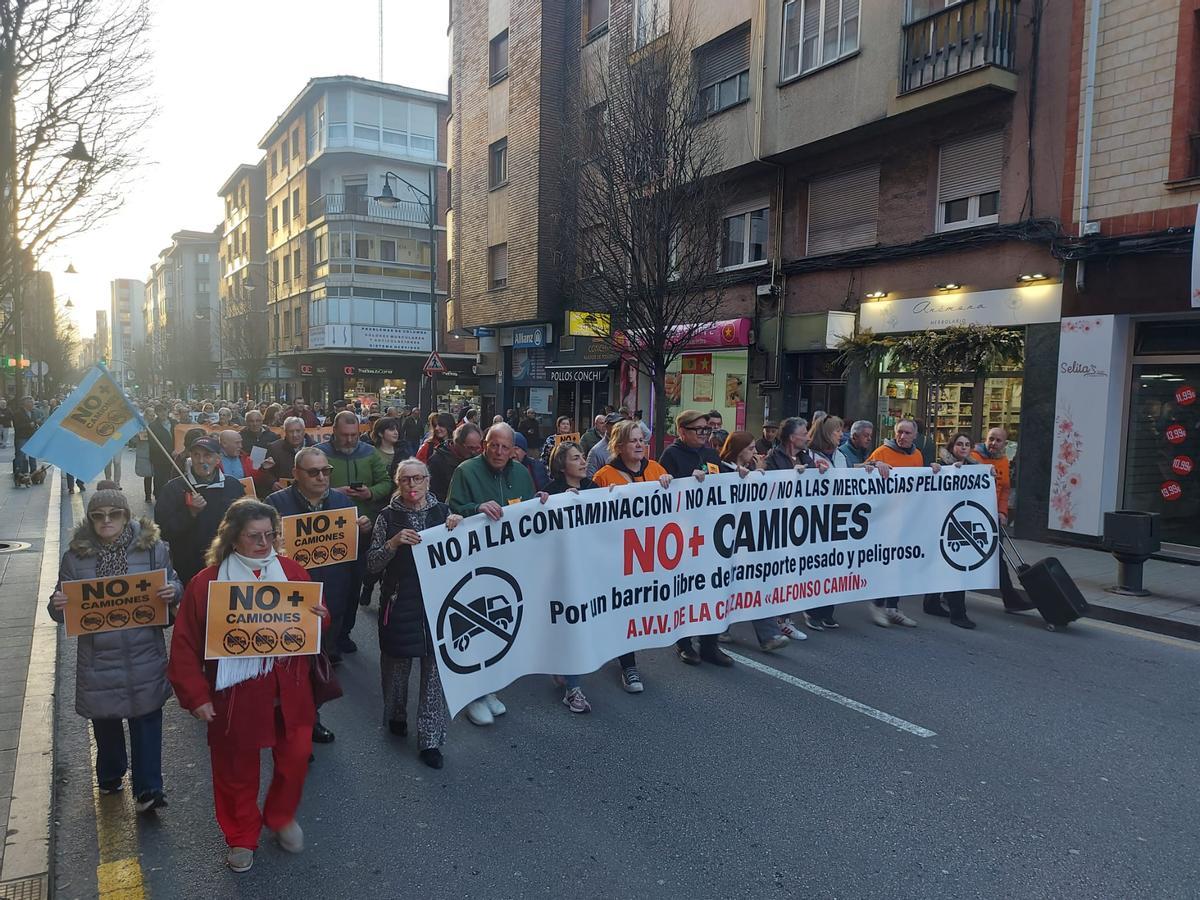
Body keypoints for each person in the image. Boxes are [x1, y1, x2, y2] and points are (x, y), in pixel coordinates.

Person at [167, 499, 328, 873]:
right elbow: (185, 645)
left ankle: (280, 815)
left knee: (296, 757)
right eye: (254, 536)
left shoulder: (292, 572)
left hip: (289, 690)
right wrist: (196, 697)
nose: (264, 543)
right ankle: (240, 835)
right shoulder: (206, 583)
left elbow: (315, 622)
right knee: (235, 770)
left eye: (269, 535)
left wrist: (322, 614)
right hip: (236, 695)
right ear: (233, 539)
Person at [48, 486, 182, 814]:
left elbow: (176, 583)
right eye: (98, 515)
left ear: (126, 516)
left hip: (143, 650)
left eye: (114, 514)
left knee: (147, 716)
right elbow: (59, 605)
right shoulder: (74, 557)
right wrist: (57, 605)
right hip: (99, 656)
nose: (106, 520)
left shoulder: (153, 550)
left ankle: (149, 788)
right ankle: (110, 773)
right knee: (105, 720)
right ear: (91, 520)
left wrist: (172, 592)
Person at [266, 446, 369, 742]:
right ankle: (290, 724)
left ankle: (312, 717)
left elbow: (355, 556)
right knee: (289, 667)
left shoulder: (341, 502)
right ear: (296, 474)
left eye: (326, 471)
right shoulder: (275, 504)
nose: (322, 477)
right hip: (289, 599)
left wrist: (363, 529)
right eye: (313, 472)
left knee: (318, 663)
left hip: (331, 596)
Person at [447, 423, 545, 726]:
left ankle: (487, 688)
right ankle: (471, 695)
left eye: (506, 447)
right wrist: (476, 507)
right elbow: (451, 510)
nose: (499, 452)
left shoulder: (520, 473)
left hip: (508, 564)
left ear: (513, 448)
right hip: (474, 565)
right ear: (484, 445)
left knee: (497, 629)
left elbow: (527, 509)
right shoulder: (465, 471)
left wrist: (542, 500)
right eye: (494, 445)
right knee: (473, 628)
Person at [367, 459, 463, 767]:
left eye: (418, 479)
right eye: (406, 479)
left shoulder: (444, 512)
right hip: (401, 602)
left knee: (434, 674)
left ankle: (430, 740)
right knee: (396, 668)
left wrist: (458, 526)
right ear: (398, 483)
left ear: (428, 481)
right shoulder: (387, 516)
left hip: (439, 603)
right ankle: (396, 713)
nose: (412, 485)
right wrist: (393, 544)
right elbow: (371, 564)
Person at [545, 441, 646, 707]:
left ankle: (627, 664)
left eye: (582, 457)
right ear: (561, 465)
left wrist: (612, 500)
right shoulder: (549, 493)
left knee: (617, 610)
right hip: (566, 573)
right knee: (573, 623)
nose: (582, 462)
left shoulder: (594, 489)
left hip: (596, 567)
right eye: (576, 458)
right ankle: (573, 688)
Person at [647, 410, 735, 666]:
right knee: (685, 590)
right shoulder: (671, 455)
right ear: (682, 431)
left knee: (714, 589)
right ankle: (684, 643)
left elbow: (723, 482)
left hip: (711, 533)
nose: (704, 434)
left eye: (706, 430)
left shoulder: (710, 454)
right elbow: (664, 493)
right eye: (699, 430)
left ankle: (710, 644)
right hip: (683, 537)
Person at [313, 411, 389, 652]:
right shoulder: (319, 453)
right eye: (344, 435)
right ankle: (322, 635)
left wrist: (371, 493)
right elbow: (307, 484)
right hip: (324, 532)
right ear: (333, 431)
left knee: (353, 584)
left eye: (354, 435)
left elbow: (386, 482)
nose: (349, 440)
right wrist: (335, 492)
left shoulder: (370, 453)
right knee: (324, 585)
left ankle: (344, 633)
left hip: (360, 530)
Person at [866, 418, 941, 628]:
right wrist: (874, 464)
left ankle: (893, 607)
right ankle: (877, 604)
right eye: (899, 432)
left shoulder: (917, 455)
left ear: (915, 435)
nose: (902, 436)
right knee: (885, 563)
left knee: (900, 564)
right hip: (884, 519)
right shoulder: (882, 451)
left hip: (907, 519)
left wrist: (933, 469)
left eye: (907, 433)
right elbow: (860, 471)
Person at [154, 437, 247, 585]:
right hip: (188, 567)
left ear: (218, 459)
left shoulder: (232, 485)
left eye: (207, 455)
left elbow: (244, 523)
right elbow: (162, 531)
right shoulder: (174, 488)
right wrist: (190, 513)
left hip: (227, 562)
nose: (201, 460)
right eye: (196, 455)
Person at [971, 426, 1032, 612]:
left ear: (1005, 444)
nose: (993, 443)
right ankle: (941, 595)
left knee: (997, 558)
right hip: (973, 516)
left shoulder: (1004, 461)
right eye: (991, 439)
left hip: (991, 517)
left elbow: (1005, 489)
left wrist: (1003, 512)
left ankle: (1011, 599)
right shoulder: (974, 458)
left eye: (998, 441)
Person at [923, 433, 980, 629]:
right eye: (959, 444)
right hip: (944, 521)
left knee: (947, 564)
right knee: (956, 566)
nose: (963, 448)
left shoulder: (974, 468)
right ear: (952, 446)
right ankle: (958, 613)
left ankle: (931, 603)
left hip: (962, 519)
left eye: (967, 444)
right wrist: (935, 470)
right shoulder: (941, 466)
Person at [429, 422, 482, 502]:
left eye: (477, 448)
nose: (474, 452)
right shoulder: (437, 461)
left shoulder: (477, 459)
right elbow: (434, 494)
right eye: (470, 448)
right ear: (457, 443)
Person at [259, 417, 313, 493]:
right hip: (283, 493)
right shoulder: (274, 448)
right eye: (291, 431)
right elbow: (265, 472)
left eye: (298, 431)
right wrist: (272, 482)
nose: (294, 435)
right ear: (285, 432)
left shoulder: (315, 448)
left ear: (304, 431)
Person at [586, 412, 626, 476]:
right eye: (615, 424)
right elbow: (589, 479)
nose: (619, 427)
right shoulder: (596, 452)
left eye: (621, 424)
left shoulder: (627, 446)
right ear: (606, 426)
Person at [12, 396, 39, 487]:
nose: (32, 404)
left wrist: (35, 425)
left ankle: (34, 475)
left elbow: (34, 423)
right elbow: (17, 426)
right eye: (30, 402)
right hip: (21, 437)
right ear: (25, 403)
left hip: (32, 437)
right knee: (20, 457)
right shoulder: (17, 413)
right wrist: (29, 425)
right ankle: (18, 476)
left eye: (33, 402)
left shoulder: (33, 412)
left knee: (33, 456)